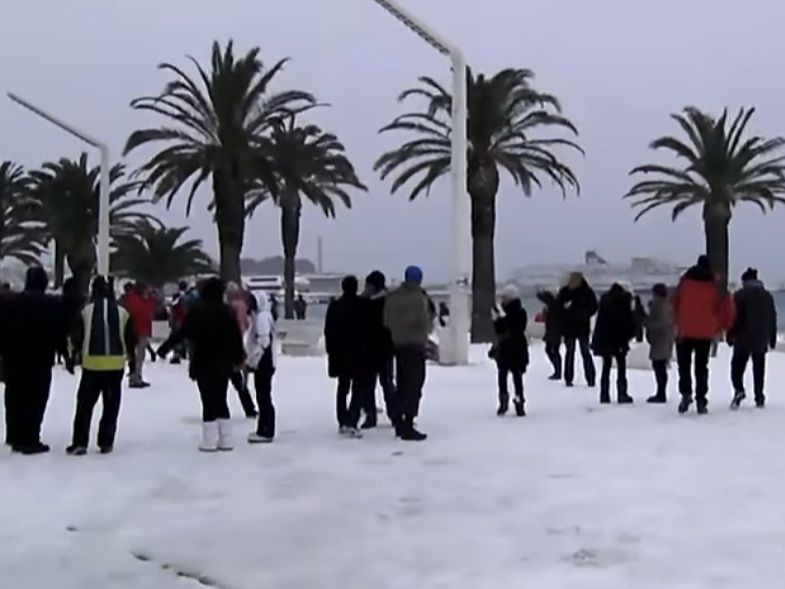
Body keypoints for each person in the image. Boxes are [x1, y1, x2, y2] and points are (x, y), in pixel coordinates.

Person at [158, 278, 246, 452]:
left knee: (207, 399)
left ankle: (209, 440)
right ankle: (226, 439)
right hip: (224, 362)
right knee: (221, 398)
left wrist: (165, 348)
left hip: (203, 360)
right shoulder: (227, 311)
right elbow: (236, 337)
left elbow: (182, 332)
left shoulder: (198, 311)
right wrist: (239, 358)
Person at [0, 267, 70, 454]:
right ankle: (29, 438)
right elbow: (59, 332)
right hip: (40, 359)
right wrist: (65, 354)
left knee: (14, 397)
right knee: (35, 398)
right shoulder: (51, 305)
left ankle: (14, 434)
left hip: (13, 359)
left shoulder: (10, 302)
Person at [67, 276, 137, 456]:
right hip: (115, 366)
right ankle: (106, 441)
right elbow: (131, 340)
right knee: (111, 405)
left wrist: (73, 357)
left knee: (84, 405)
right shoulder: (123, 312)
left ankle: (80, 442)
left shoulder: (86, 311)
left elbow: (76, 337)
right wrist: (133, 363)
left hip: (92, 366)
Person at [672, 255, 735, 415]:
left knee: (684, 365)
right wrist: (721, 327)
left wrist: (677, 323)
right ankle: (701, 399)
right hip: (705, 332)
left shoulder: (685, 282)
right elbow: (726, 307)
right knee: (701, 367)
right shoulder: (715, 285)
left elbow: (674, 303)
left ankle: (686, 393)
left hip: (685, 330)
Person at [384, 266, 432, 441]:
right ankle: (408, 423)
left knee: (402, 384)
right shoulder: (419, 298)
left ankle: (399, 421)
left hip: (398, 345)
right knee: (414, 385)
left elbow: (386, 321)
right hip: (415, 345)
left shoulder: (392, 297)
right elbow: (424, 321)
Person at [727, 268, 777, 409]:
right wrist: (771, 337)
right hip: (761, 337)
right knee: (759, 369)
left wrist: (731, 334)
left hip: (743, 338)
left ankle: (739, 390)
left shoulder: (740, 295)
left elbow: (735, 317)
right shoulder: (767, 296)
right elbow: (772, 317)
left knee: (737, 368)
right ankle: (759, 396)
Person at [324, 275, 367, 438]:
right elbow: (367, 331)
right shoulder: (362, 305)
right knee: (358, 389)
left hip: (340, 354)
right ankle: (352, 419)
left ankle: (342, 420)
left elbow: (328, 331)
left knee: (343, 388)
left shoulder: (335, 306)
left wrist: (331, 351)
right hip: (358, 353)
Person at [359, 271, 399, 430]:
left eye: (368, 285)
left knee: (384, 383)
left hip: (380, 348)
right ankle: (383, 414)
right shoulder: (387, 301)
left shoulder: (380, 303)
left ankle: (389, 414)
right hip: (375, 348)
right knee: (374, 384)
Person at [591, 283, 636, 404]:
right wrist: (630, 335)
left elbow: (599, 322)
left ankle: (604, 394)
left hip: (605, 339)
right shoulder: (625, 301)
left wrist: (597, 341)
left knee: (606, 367)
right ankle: (622, 393)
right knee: (621, 367)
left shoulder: (604, 300)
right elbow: (628, 321)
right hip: (619, 339)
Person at [491, 285, 529, 417]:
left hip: (508, 347)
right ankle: (518, 402)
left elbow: (505, 330)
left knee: (504, 375)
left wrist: (499, 319)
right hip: (517, 347)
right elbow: (517, 329)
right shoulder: (521, 312)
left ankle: (505, 401)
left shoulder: (510, 312)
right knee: (516, 376)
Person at [557, 272, 598, 388]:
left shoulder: (587, 292)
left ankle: (590, 378)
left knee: (584, 352)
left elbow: (594, 306)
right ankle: (569, 378)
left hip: (580, 325)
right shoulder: (566, 292)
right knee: (571, 352)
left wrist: (585, 314)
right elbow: (558, 307)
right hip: (571, 326)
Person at [246, 294, 277, 443]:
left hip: (263, 362)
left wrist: (253, 360)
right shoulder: (264, 316)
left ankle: (266, 430)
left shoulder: (261, 318)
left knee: (263, 396)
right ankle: (264, 428)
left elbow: (263, 341)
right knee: (263, 395)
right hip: (266, 362)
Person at [226, 283, 257, 418]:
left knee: (224, 382)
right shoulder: (241, 305)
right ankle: (249, 408)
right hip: (236, 346)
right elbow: (246, 324)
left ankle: (219, 410)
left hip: (227, 348)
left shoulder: (227, 307)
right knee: (239, 381)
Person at [645, 283, 675, 404]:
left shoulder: (660, 306)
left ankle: (661, 393)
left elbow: (659, 323)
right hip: (665, 339)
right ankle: (661, 392)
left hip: (660, 339)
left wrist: (648, 324)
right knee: (660, 366)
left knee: (659, 367)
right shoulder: (667, 305)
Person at [123, 282, 156, 388]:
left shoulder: (146, 299)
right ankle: (134, 377)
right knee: (136, 355)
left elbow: (151, 311)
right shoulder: (134, 299)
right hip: (135, 331)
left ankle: (137, 376)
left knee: (140, 355)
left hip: (142, 330)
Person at [537, 290, 564, 380]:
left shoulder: (553, 306)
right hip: (554, 331)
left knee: (551, 350)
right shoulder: (555, 305)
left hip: (553, 331)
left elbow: (544, 298)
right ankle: (558, 371)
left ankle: (558, 372)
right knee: (554, 351)